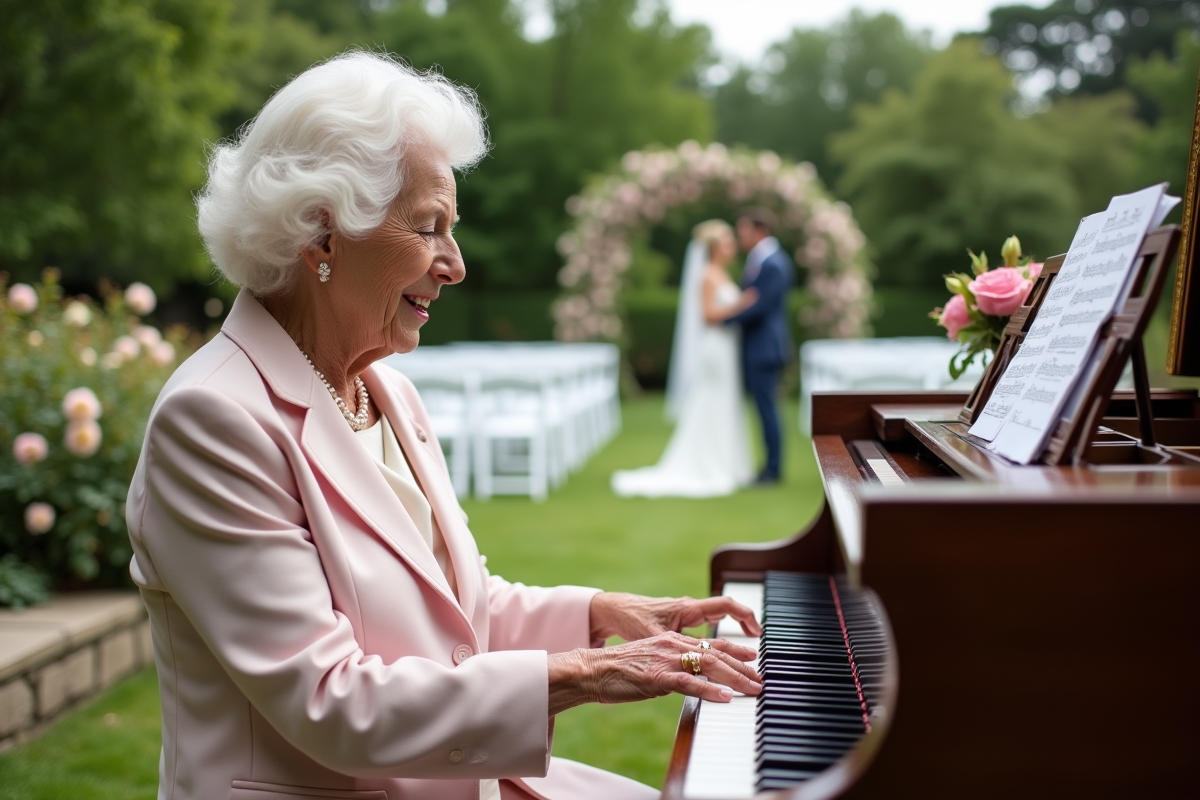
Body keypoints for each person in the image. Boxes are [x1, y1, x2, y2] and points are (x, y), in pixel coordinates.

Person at [124, 52, 762, 800]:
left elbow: (458, 610)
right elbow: (331, 700)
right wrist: (586, 675)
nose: (454, 264)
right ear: (322, 233)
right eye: (429, 228)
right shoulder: (212, 420)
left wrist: (599, 615)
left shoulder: (386, 392)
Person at [611, 220, 756, 498]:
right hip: (715, 347)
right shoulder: (708, 276)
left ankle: (729, 462)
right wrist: (740, 305)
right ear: (714, 248)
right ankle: (708, 463)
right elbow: (707, 315)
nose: (732, 246)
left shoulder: (721, 274)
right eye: (726, 242)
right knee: (712, 399)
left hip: (727, 347)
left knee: (725, 401)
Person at [724, 208, 794, 485]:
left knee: (767, 408)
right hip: (759, 347)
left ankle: (772, 469)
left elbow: (761, 306)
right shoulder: (762, 260)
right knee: (763, 408)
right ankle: (769, 466)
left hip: (765, 348)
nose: (740, 237)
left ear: (759, 231)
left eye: (743, 231)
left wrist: (724, 319)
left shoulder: (773, 263)